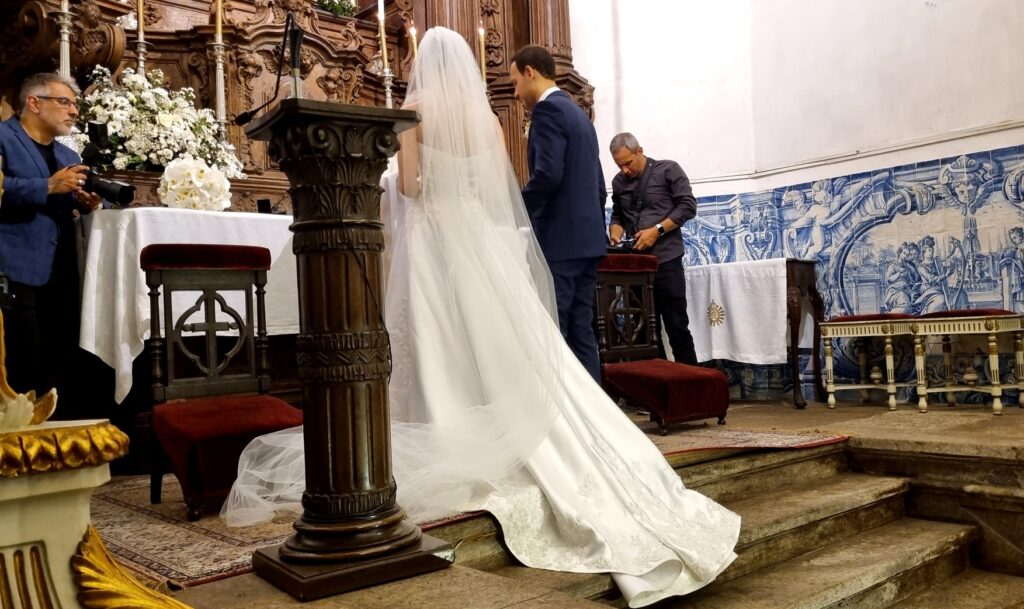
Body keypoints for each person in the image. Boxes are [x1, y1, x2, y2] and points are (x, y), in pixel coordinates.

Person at [223, 27, 739, 608]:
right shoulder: (492, 120)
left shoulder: (415, 111)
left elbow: (411, 188)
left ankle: (443, 415)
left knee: (437, 333)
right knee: (508, 336)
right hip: (481, 241)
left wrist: (399, 180)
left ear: (422, 64)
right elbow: (501, 187)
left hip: (434, 239)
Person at [0, 72, 102, 407]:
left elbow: (69, 201)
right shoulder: (4, 137)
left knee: (59, 362)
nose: (73, 111)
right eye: (64, 102)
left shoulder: (67, 156)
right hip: (14, 269)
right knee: (23, 366)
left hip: (60, 272)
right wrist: (46, 186)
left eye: (75, 105)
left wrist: (88, 203)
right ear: (34, 102)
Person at [509, 45, 607, 382]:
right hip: (588, 241)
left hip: (561, 242)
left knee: (555, 329)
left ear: (530, 72)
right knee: (582, 332)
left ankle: (561, 408)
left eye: (515, 83)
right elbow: (598, 184)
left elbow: (549, 174)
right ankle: (593, 409)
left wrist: (516, 208)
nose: (516, 93)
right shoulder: (579, 116)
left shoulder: (547, 112)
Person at [608, 133, 698, 365]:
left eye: (628, 163)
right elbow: (617, 215)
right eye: (619, 165)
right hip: (635, 266)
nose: (625, 170)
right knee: (644, 330)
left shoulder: (668, 169)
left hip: (666, 261)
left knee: (677, 325)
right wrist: (615, 232)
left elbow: (688, 206)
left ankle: (690, 381)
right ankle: (659, 383)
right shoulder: (618, 182)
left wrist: (656, 230)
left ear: (640, 151)